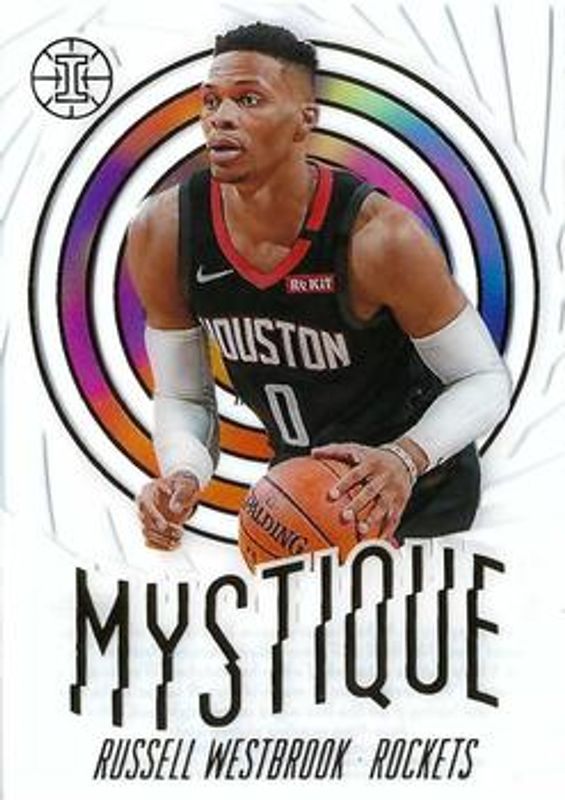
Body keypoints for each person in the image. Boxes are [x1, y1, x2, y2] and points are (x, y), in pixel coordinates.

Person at [127, 22, 511, 552]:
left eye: (249, 99)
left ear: (304, 119)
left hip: (420, 489)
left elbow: (483, 379)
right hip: (299, 495)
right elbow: (184, 395)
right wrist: (183, 473)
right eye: (211, 101)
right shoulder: (164, 231)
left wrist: (405, 457)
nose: (222, 117)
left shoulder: (380, 238)